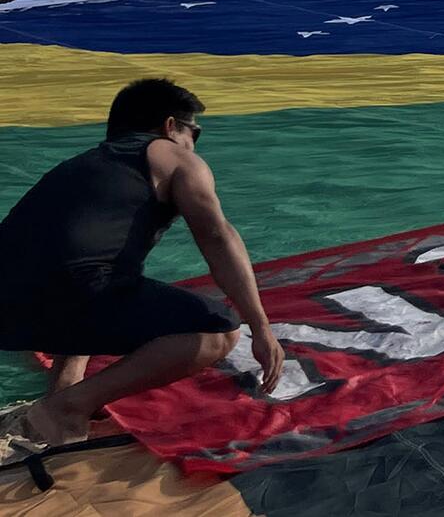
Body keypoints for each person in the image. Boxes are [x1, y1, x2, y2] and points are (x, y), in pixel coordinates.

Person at [0, 79, 283, 459]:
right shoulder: (173, 156)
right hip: (68, 295)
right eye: (193, 132)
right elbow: (217, 238)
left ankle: (61, 396)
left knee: (101, 279)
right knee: (216, 329)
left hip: (12, 310)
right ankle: (68, 407)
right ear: (170, 127)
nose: (194, 144)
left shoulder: (83, 166)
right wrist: (260, 325)